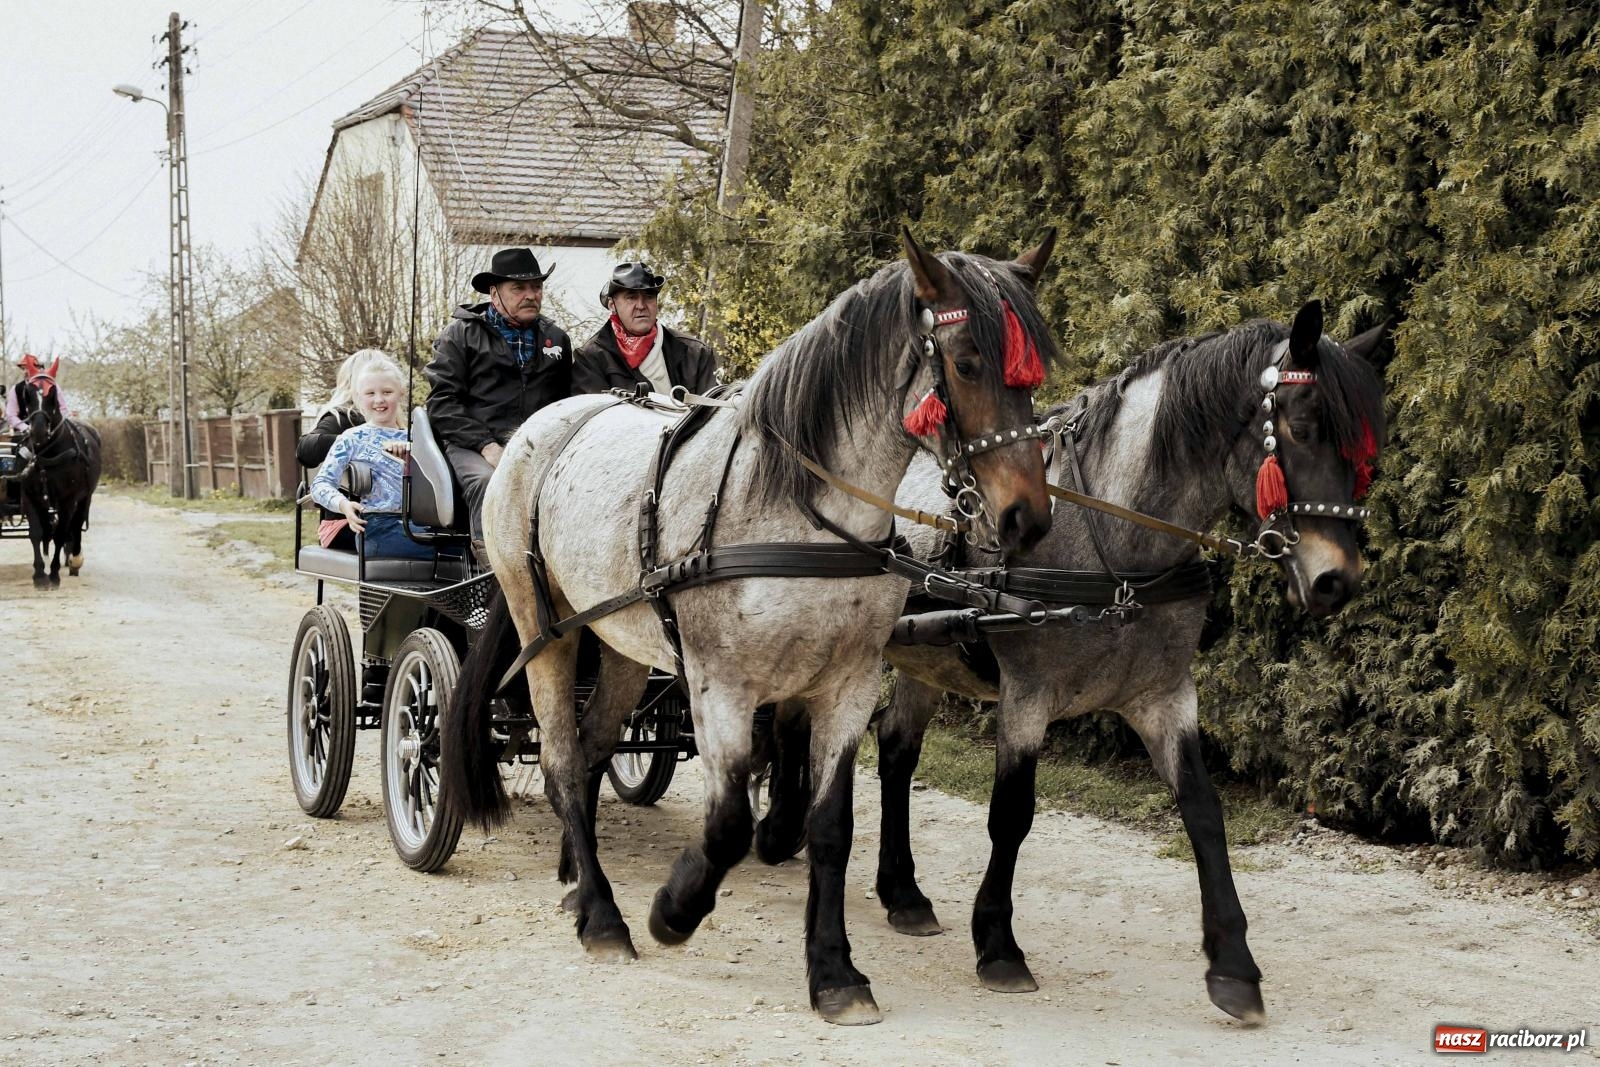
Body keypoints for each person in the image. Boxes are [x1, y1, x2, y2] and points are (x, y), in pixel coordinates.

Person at [425, 247, 574, 555]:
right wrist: (486, 445)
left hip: (537, 445)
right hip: (473, 443)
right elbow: (441, 403)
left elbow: (567, 403)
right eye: (518, 288)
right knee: (490, 481)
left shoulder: (556, 339)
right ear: (494, 293)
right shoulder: (460, 334)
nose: (530, 295)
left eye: (536, 286)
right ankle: (494, 580)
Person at [309, 355, 433, 561]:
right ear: (359, 397)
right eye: (370, 393)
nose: (379, 400)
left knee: (461, 544)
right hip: (376, 528)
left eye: (387, 392)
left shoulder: (417, 437)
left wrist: (411, 456)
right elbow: (320, 484)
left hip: (418, 523)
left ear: (401, 394)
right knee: (454, 550)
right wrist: (343, 505)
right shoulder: (351, 438)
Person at [572, 262, 718, 397]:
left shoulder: (696, 353)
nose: (641, 305)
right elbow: (594, 421)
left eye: (648, 297)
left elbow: (713, 415)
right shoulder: (590, 360)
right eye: (631, 297)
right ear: (612, 305)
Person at [297, 349, 380, 550]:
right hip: (343, 523)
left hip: (380, 518)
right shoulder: (343, 417)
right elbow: (306, 449)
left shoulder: (391, 423)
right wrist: (357, 442)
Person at [5, 354, 73, 433]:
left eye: (29, 368)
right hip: (24, 434)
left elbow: (64, 409)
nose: (26, 371)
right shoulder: (16, 389)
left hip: (52, 431)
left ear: (38, 368)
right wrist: (25, 428)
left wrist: (54, 426)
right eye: (24, 368)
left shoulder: (52, 386)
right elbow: (11, 415)